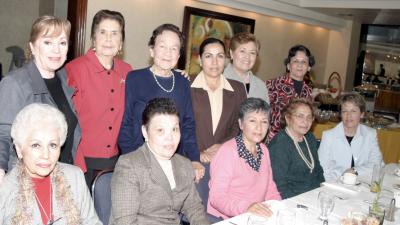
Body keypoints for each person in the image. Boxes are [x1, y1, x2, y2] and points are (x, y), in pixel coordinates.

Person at [118, 23, 204, 182]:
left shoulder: (183, 82)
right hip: (140, 163)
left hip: (174, 164)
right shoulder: (135, 78)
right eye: (162, 46)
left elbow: (188, 124)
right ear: (152, 50)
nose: (168, 53)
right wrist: (131, 161)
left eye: (174, 48)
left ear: (179, 55)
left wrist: (194, 158)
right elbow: (127, 123)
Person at [0, 15, 81, 184]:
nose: (56, 50)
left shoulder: (64, 80)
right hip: (25, 182)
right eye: (48, 42)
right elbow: (3, 134)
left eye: (62, 43)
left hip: (60, 178)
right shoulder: (15, 83)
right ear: (33, 47)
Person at [110, 98, 210, 225]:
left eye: (174, 129)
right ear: (145, 132)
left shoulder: (184, 164)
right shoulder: (129, 165)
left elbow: (194, 208)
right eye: (160, 130)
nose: (170, 138)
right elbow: (125, 222)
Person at [0, 103, 101, 225]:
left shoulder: (74, 177)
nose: (46, 155)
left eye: (52, 145)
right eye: (36, 145)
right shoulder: (5, 188)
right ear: (19, 150)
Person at [65, 10, 132, 186]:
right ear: (93, 39)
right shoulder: (75, 70)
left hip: (116, 163)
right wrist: (77, 167)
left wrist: (173, 73)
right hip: (81, 162)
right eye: (102, 32)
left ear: (121, 42)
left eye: (114, 33)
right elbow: (67, 122)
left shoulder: (127, 71)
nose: (108, 39)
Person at [208, 98, 281, 221]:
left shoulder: (264, 150)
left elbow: (270, 187)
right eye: (252, 121)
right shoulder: (228, 152)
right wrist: (247, 207)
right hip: (227, 217)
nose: (259, 127)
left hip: (256, 215)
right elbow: (217, 198)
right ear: (241, 124)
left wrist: (279, 207)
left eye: (264, 122)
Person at [191, 37, 246, 164]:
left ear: (226, 60)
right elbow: (178, 124)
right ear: (200, 60)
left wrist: (223, 146)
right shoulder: (186, 84)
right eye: (208, 56)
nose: (214, 62)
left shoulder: (238, 88)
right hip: (191, 160)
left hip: (225, 159)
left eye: (220, 56)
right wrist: (196, 153)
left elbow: (239, 125)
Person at [318, 93, 383, 181]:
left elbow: (376, 164)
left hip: (362, 184)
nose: (348, 115)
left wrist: (354, 171)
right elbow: (322, 169)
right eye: (345, 111)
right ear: (340, 114)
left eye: (353, 111)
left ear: (362, 114)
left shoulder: (370, 134)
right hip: (335, 185)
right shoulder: (329, 136)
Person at [268, 98, 324, 199]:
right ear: (288, 118)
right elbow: (279, 185)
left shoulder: (309, 137)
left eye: (309, 117)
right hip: (292, 200)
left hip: (314, 195)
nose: (305, 121)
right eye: (300, 116)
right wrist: (302, 203)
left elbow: (318, 170)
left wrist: (323, 191)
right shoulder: (280, 144)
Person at [266, 44, 315, 142]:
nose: (300, 65)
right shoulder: (272, 85)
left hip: (297, 142)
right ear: (288, 65)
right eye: (296, 61)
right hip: (275, 141)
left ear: (309, 67)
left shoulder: (308, 91)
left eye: (304, 62)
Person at [223, 32, 269, 103]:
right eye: (242, 51)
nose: (247, 56)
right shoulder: (219, 81)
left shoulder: (261, 86)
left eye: (252, 53)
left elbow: (265, 113)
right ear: (232, 54)